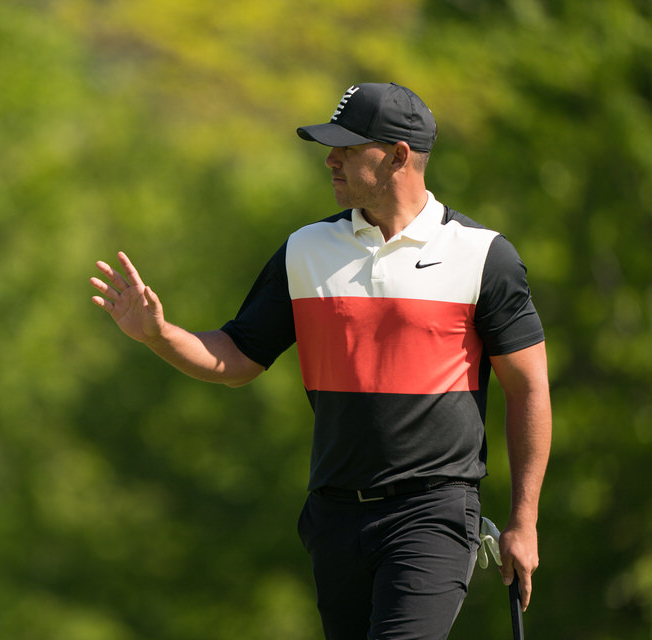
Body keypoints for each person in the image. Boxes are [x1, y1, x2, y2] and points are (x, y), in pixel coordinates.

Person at [90, 82, 551, 639]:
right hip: (334, 517)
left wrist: (524, 521)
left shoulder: (483, 256)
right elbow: (237, 357)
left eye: (348, 149)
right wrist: (160, 335)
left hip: (433, 512)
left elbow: (528, 389)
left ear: (398, 156)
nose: (331, 160)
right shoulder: (305, 250)